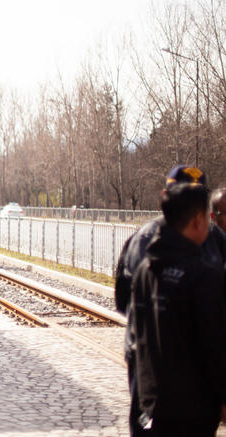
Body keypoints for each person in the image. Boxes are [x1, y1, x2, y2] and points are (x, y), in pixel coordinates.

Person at [115, 166, 226, 435]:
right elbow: (214, 337)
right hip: (190, 387)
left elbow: (123, 301)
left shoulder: (144, 245)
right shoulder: (210, 249)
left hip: (149, 373)